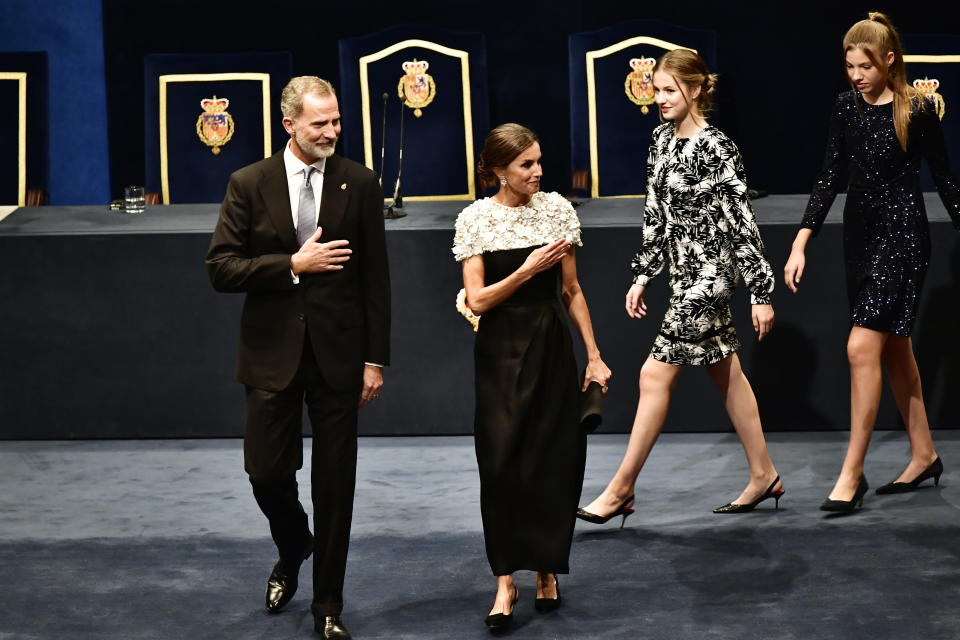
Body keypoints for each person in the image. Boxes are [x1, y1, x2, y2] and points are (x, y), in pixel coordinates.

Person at [206, 76, 389, 639]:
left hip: (340, 356)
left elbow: (375, 279)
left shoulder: (359, 183)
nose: (332, 131)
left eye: (336, 121)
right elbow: (221, 268)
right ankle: (294, 544)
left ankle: (327, 607)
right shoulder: (248, 183)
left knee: (336, 485)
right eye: (320, 124)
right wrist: (291, 265)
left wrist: (375, 360)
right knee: (265, 473)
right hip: (270, 355)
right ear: (289, 126)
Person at [577, 49, 782, 526]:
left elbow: (740, 219)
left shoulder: (718, 147)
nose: (659, 99)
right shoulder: (660, 141)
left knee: (653, 374)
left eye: (669, 90)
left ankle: (621, 488)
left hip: (713, 276)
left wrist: (760, 289)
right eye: (656, 90)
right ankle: (764, 474)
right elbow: (655, 213)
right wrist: (644, 271)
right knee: (722, 368)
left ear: (695, 89)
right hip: (682, 273)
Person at [784, 13, 959, 512]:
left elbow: (945, 182)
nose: (856, 75)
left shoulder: (917, 109)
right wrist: (800, 242)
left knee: (861, 347)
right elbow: (828, 176)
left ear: (889, 60)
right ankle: (923, 454)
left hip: (903, 238)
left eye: (864, 65)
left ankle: (851, 472)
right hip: (859, 239)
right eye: (848, 66)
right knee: (896, 349)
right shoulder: (845, 108)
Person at [452, 123, 611, 629]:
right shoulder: (475, 220)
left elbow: (571, 292)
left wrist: (594, 355)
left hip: (549, 348)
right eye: (526, 164)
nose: (538, 171)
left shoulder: (558, 210)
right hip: (499, 352)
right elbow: (477, 300)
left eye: (539, 161)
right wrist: (524, 270)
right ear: (498, 170)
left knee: (552, 459)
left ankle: (546, 569)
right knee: (499, 462)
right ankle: (505, 581)